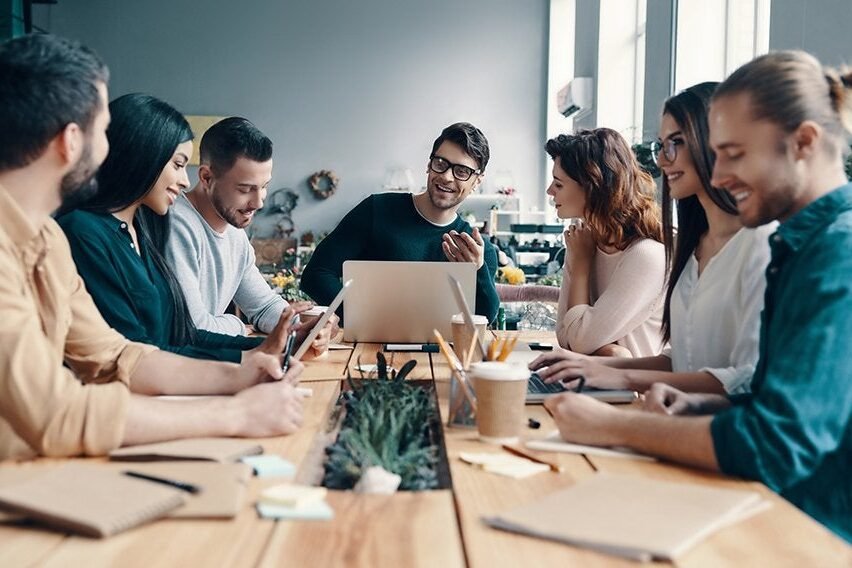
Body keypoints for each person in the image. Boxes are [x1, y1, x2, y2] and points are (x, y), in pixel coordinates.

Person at [543, 51, 852, 542]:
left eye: (734, 153)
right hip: (754, 506)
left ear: (804, 143)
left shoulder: (836, 253)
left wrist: (613, 426)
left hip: (807, 532)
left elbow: (778, 442)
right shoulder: (799, 246)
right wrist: (698, 406)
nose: (720, 172)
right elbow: (761, 395)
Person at [0, 34, 305, 460]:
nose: (109, 147)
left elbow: (116, 355)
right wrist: (233, 414)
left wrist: (239, 376)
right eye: (103, 130)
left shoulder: (46, 239)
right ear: (71, 141)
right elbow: (57, 413)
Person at [531, 83, 774, 394]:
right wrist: (591, 367)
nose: (660, 160)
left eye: (675, 144)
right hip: (671, 415)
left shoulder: (759, 244)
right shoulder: (691, 246)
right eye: (661, 146)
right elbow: (681, 360)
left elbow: (746, 380)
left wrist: (615, 372)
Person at [57, 94, 314, 362]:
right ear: (144, 158)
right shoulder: (93, 231)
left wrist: (282, 341)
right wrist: (248, 351)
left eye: (264, 187)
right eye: (178, 165)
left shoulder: (139, 230)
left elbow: (176, 336)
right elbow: (139, 355)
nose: (183, 181)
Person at [166, 117, 336, 355]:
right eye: (245, 189)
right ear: (206, 178)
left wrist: (298, 328)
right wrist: (237, 325)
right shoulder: (177, 225)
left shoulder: (234, 230)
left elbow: (264, 305)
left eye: (264, 185)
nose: (258, 202)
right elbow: (192, 329)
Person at [299, 122, 500, 323]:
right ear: (428, 165)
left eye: (462, 171)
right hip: (368, 349)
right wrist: (361, 317)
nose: (446, 176)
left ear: (477, 181)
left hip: (440, 353)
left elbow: (485, 317)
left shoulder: (477, 251)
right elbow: (316, 274)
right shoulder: (376, 210)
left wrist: (478, 269)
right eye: (440, 163)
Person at [544, 128, 666, 357]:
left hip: (635, 390)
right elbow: (564, 335)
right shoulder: (585, 242)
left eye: (559, 184)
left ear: (592, 188)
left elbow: (579, 340)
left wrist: (581, 265)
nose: (550, 191)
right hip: (589, 382)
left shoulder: (646, 255)